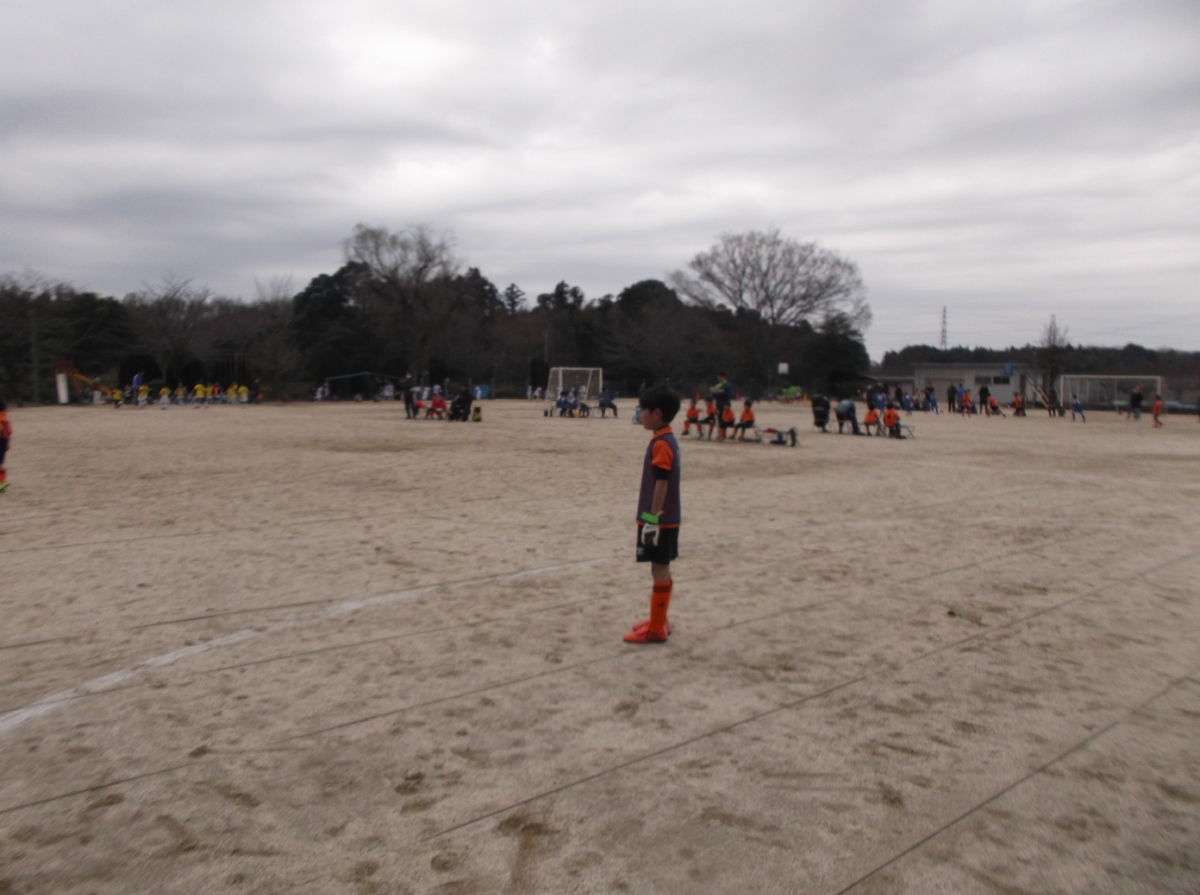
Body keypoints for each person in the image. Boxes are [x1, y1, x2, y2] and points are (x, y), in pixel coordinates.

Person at [624, 385, 681, 644]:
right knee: (661, 568)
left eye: (642, 410)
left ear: (656, 414)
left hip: (660, 520)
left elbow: (661, 484)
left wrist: (652, 520)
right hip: (665, 519)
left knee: (659, 568)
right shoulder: (665, 438)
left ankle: (656, 629)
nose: (640, 415)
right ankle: (660, 618)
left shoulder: (661, 443)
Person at [0, 399, 11, 492]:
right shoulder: (5, 416)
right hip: (5, 440)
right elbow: (9, 431)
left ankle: (1, 483)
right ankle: (2, 481)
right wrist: (8, 443)